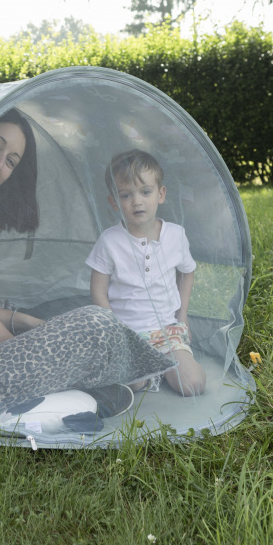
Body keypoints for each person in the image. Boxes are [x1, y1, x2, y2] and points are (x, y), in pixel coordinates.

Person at [0, 110, 176, 421]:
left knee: (10, 310)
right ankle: (85, 390)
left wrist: (26, 323)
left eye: (11, 161)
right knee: (96, 325)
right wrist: (37, 360)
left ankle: (81, 388)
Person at [86, 149, 206, 397]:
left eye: (145, 192)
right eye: (126, 195)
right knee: (130, 385)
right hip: (128, 334)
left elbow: (187, 272)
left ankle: (165, 366)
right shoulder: (109, 240)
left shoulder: (176, 235)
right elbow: (98, 292)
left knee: (192, 385)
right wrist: (117, 333)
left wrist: (182, 315)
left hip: (167, 330)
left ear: (161, 194)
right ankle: (149, 374)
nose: (137, 201)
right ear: (114, 202)